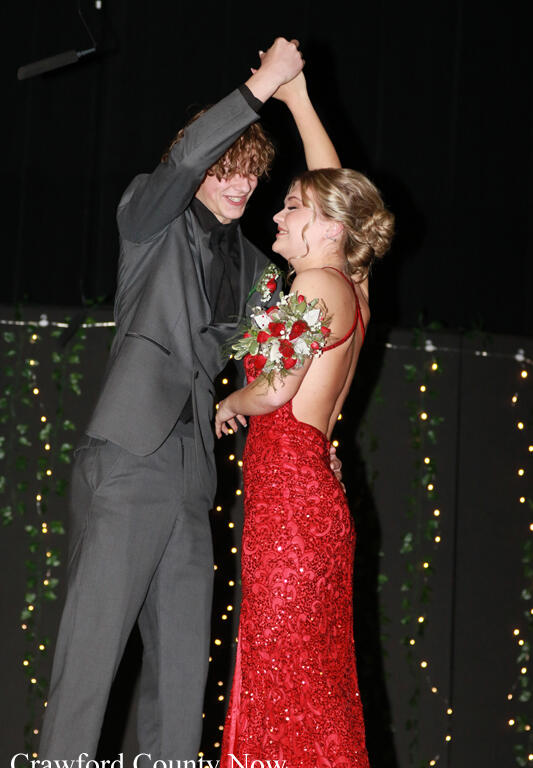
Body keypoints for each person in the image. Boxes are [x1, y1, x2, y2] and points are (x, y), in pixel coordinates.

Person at [38, 38, 310, 763]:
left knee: (184, 677)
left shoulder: (257, 269)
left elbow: (282, 361)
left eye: (250, 173)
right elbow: (185, 159)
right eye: (227, 167)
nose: (239, 183)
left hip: (194, 477)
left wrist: (308, 441)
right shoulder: (150, 217)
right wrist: (263, 84)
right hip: (128, 459)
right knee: (90, 665)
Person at [215, 75, 394, 767]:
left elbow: (274, 390)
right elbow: (334, 189)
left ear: (329, 229)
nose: (277, 215)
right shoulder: (353, 287)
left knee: (284, 682)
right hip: (305, 497)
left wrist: (229, 404)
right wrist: (297, 101)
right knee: (310, 689)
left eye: (292, 207)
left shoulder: (317, 283)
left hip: (291, 503)